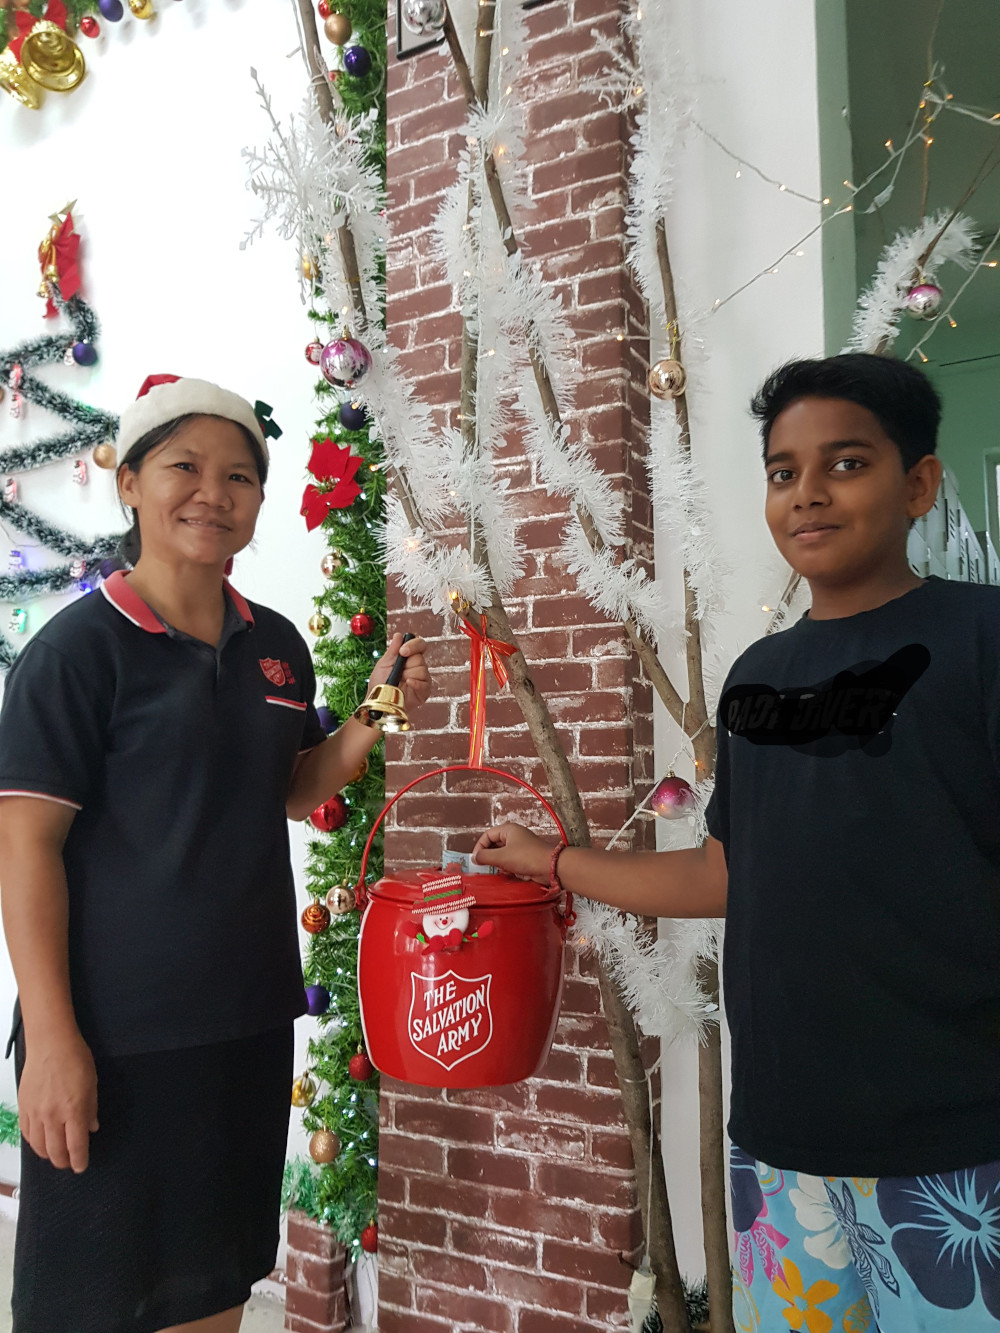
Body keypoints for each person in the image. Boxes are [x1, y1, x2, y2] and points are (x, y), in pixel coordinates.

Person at [474, 353, 1000, 1332]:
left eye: (846, 463)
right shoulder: (759, 675)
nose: (807, 492)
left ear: (917, 482)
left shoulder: (981, 638)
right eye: (782, 470)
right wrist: (551, 862)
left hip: (959, 1148)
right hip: (781, 1142)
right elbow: (725, 870)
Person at [0, 374, 431, 1333]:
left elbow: (287, 788)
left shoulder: (275, 646)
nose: (213, 491)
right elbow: (24, 844)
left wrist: (368, 715)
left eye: (240, 475)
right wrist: (55, 1042)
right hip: (114, 1036)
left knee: (212, 1289)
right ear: (131, 484)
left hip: (241, 1028)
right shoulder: (78, 653)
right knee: (94, 1303)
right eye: (184, 467)